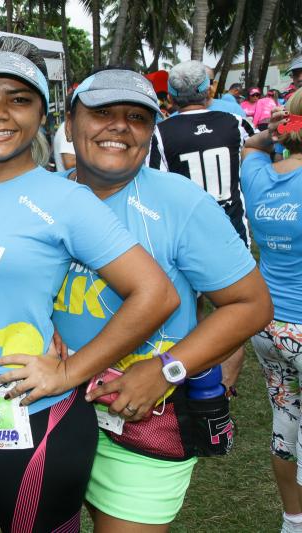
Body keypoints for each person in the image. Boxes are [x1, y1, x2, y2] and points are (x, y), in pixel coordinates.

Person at [0, 37, 179, 533]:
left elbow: (156, 293)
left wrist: (70, 371)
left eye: (19, 99)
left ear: (42, 113)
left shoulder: (64, 198)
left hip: (36, 416)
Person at [54, 66, 272, 533]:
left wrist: (166, 369)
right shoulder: (42, 198)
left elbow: (251, 304)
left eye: (137, 117)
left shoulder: (181, 202)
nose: (119, 126)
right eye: (102, 112)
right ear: (69, 124)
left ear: (151, 130)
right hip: (50, 413)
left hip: (144, 417)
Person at [149, 60, 256, 390]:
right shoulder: (235, 122)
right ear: (207, 91)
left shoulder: (161, 133)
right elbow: (255, 157)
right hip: (231, 230)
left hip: (184, 235)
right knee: (234, 312)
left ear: (171, 97)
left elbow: (156, 186)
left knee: (192, 308)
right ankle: (222, 390)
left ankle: (198, 382)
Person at [241, 93, 302, 533]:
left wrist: (273, 129)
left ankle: (292, 521)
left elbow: (251, 146)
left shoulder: (257, 174)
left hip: (268, 325)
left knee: (286, 423)